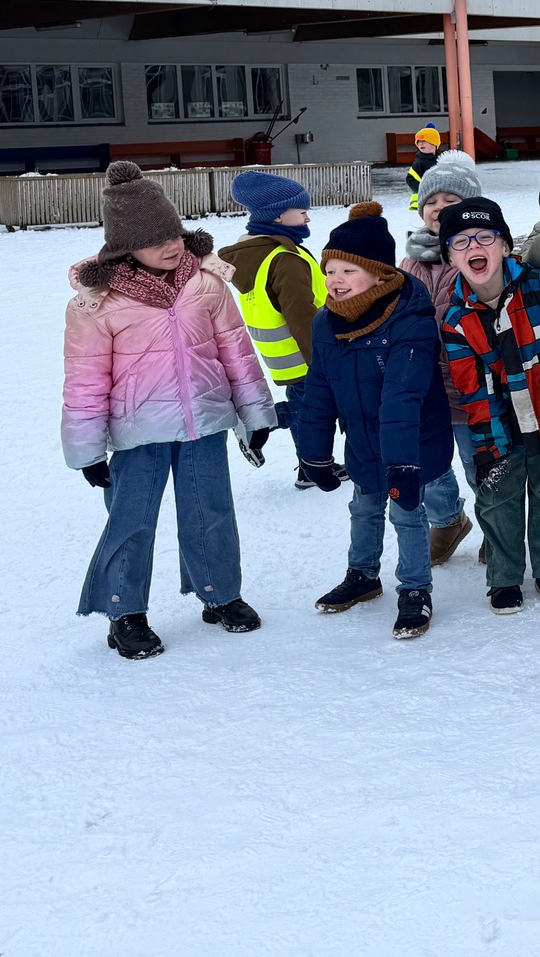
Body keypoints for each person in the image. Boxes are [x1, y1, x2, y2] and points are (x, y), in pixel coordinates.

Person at [64, 162, 274, 660]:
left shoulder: (205, 283)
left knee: (211, 512)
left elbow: (236, 350)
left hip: (205, 421)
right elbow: (85, 380)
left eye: (174, 233)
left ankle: (219, 594)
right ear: (124, 247)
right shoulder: (97, 303)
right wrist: (87, 450)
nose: (171, 245)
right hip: (138, 433)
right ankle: (124, 611)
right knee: (132, 520)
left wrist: (255, 414)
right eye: (155, 240)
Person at [295, 203, 451, 641]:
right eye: (330, 271)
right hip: (364, 440)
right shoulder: (327, 322)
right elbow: (319, 389)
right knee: (363, 508)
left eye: (349, 270)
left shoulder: (411, 320)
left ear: (381, 275)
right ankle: (363, 574)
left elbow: (403, 397)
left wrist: (402, 465)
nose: (336, 280)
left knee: (406, 513)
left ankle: (415, 588)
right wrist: (314, 454)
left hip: (412, 442)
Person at [440, 196, 540, 615]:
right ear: (450, 257)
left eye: (485, 237)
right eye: (460, 242)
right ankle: (504, 577)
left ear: (505, 246)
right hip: (501, 425)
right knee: (497, 500)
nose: (474, 247)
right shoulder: (456, 320)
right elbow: (473, 388)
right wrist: (490, 444)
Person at [400, 148, 484, 564]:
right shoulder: (410, 260)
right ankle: (448, 520)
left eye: (451, 200)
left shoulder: (482, 256)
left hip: (471, 386)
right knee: (428, 465)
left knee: (479, 463)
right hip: (424, 386)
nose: (438, 207)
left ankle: (497, 526)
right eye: (431, 200)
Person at [222, 168, 328, 486]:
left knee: (304, 406)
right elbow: (302, 315)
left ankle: (308, 469)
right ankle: (260, 422)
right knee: (317, 409)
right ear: (278, 216)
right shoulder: (285, 259)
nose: (308, 218)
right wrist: (322, 362)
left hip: (285, 357)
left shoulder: (256, 254)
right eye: (302, 211)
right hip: (309, 354)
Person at [406, 126, 441, 212]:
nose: (420, 144)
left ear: (434, 143)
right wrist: (424, 189)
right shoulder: (419, 162)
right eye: (418, 142)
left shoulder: (441, 159)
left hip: (439, 198)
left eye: (424, 141)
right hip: (423, 199)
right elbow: (410, 179)